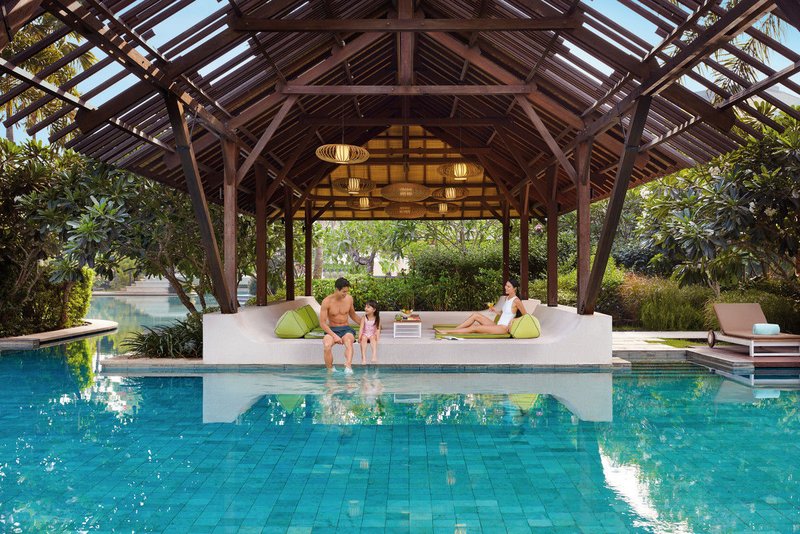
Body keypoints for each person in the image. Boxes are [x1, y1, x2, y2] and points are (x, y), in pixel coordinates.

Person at [436, 279, 527, 335]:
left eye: (509, 286)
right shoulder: (507, 298)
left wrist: (514, 320)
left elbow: (526, 316)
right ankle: (455, 330)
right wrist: (495, 310)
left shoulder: (516, 301)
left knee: (475, 327)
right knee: (475, 315)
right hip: (497, 325)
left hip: (503, 328)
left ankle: (447, 332)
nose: (506, 287)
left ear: (515, 288)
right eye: (506, 285)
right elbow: (504, 314)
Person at [320, 277, 360, 373]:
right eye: (343, 292)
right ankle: (330, 369)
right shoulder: (326, 301)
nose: (345, 294)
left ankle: (348, 367)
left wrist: (367, 324)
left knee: (348, 343)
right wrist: (334, 336)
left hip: (346, 329)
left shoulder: (349, 299)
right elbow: (322, 323)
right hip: (332, 330)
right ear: (336, 289)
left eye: (347, 291)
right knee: (327, 346)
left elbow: (353, 315)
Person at [359, 300, 381, 364]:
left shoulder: (377, 318)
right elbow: (361, 328)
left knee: (372, 338)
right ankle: (364, 358)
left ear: (374, 310)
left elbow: (378, 329)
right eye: (365, 307)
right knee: (363, 338)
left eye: (368, 307)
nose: (366, 308)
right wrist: (359, 337)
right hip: (365, 334)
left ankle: (374, 355)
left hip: (372, 334)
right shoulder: (364, 317)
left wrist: (377, 338)